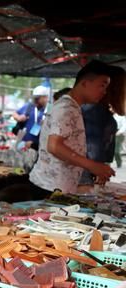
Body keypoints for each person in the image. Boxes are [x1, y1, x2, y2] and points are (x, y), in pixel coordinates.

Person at [29, 60, 115, 198]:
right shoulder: (66, 108)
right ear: (85, 83)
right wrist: (92, 166)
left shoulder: (73, 107)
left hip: (57, 186)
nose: (104, 92)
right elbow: (54, 146)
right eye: (102, 85)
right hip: (49, 187)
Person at [78, 66, 125, 190]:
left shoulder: (96, 109)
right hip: (85, 177)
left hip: (86, 175)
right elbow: (92, 146)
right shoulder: (94, 109)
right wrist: (98, 170)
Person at [12, 85, 49, 150]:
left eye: (38, 98)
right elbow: (14, 114)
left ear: (45, 97)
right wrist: (19, 117)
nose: (35, 100)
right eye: (35, 98)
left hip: (39, 146)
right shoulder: (29, 106)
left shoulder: (49, 109)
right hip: (24, 144)